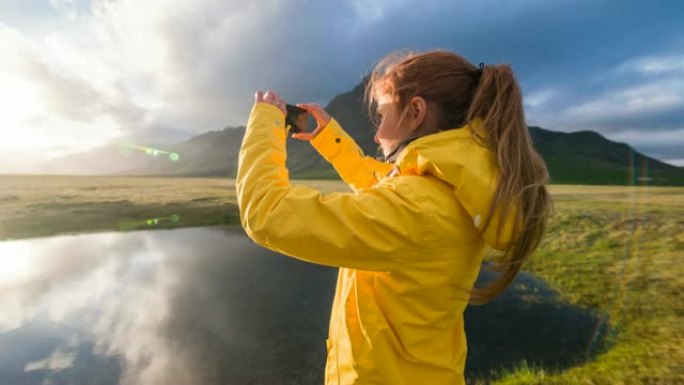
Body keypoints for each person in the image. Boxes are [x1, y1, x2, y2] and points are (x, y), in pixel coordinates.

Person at [236, 49, 551, 385]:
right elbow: (385, 184)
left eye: (383, 114)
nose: (377, 134)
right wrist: (330, 138)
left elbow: (266, 210)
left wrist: (265, 121)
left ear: (415, 112)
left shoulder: (419, 209)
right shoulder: (453, 187)